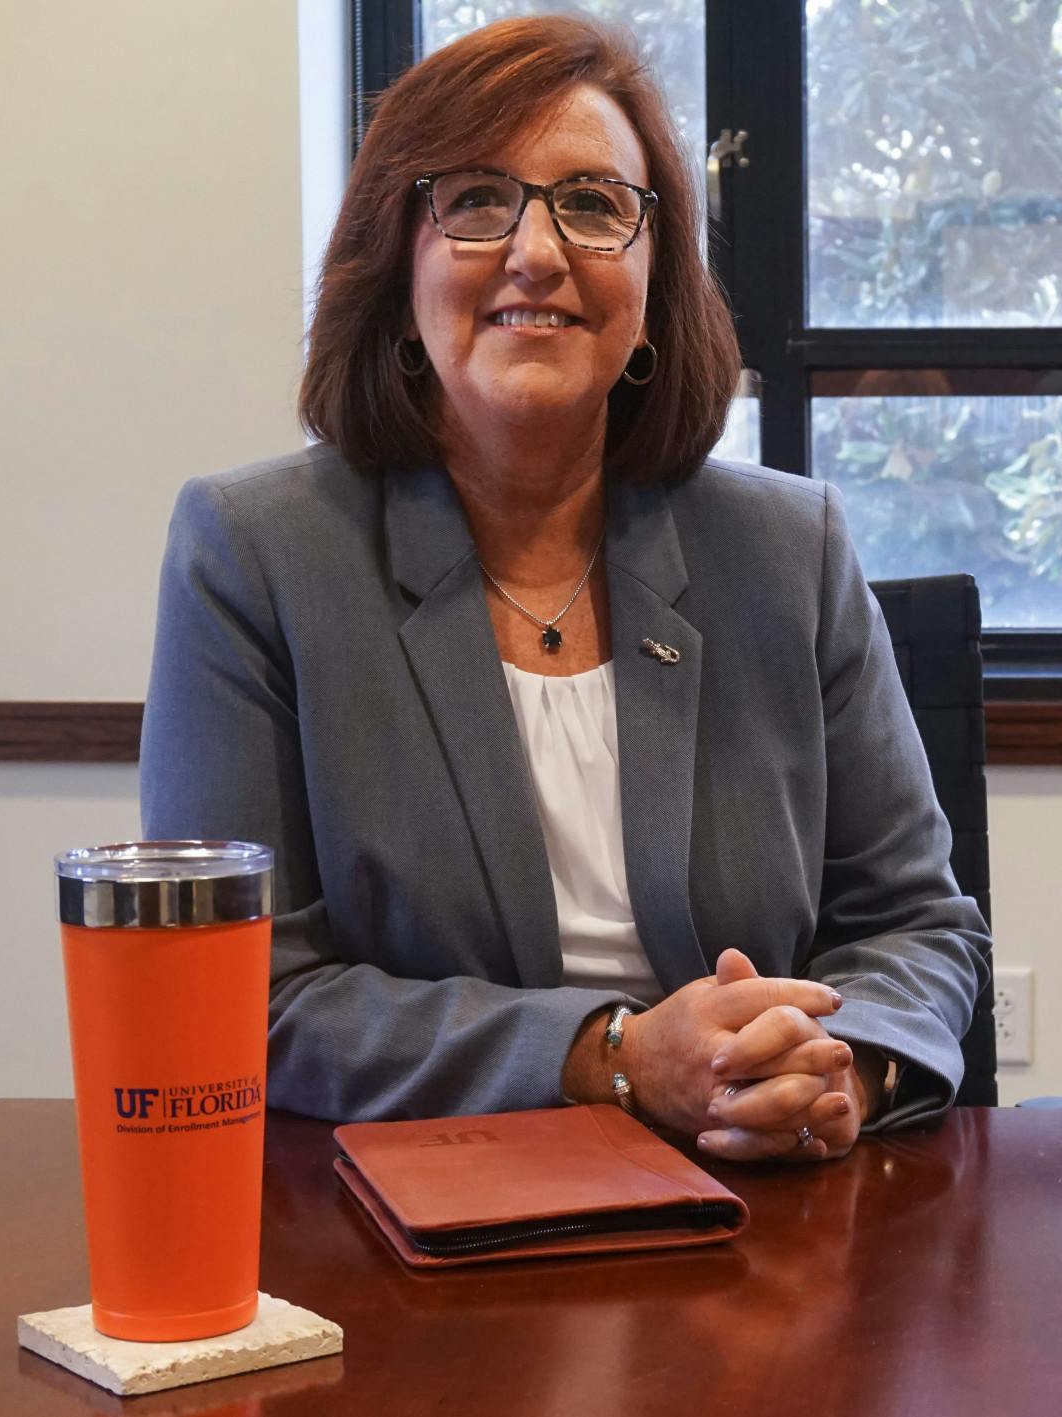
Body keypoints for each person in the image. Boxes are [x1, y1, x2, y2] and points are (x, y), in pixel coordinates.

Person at [140, 15, 988, 1164]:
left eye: (592, 205)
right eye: (479, 201)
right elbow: (246, 995)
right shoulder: (253, 554)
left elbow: (912, 925)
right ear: (398, 266)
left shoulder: (790, 548)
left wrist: (841, 1066)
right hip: (409, 1229)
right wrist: (619, 1056)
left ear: (650, 280)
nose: (536, 252)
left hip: (760, 1223)